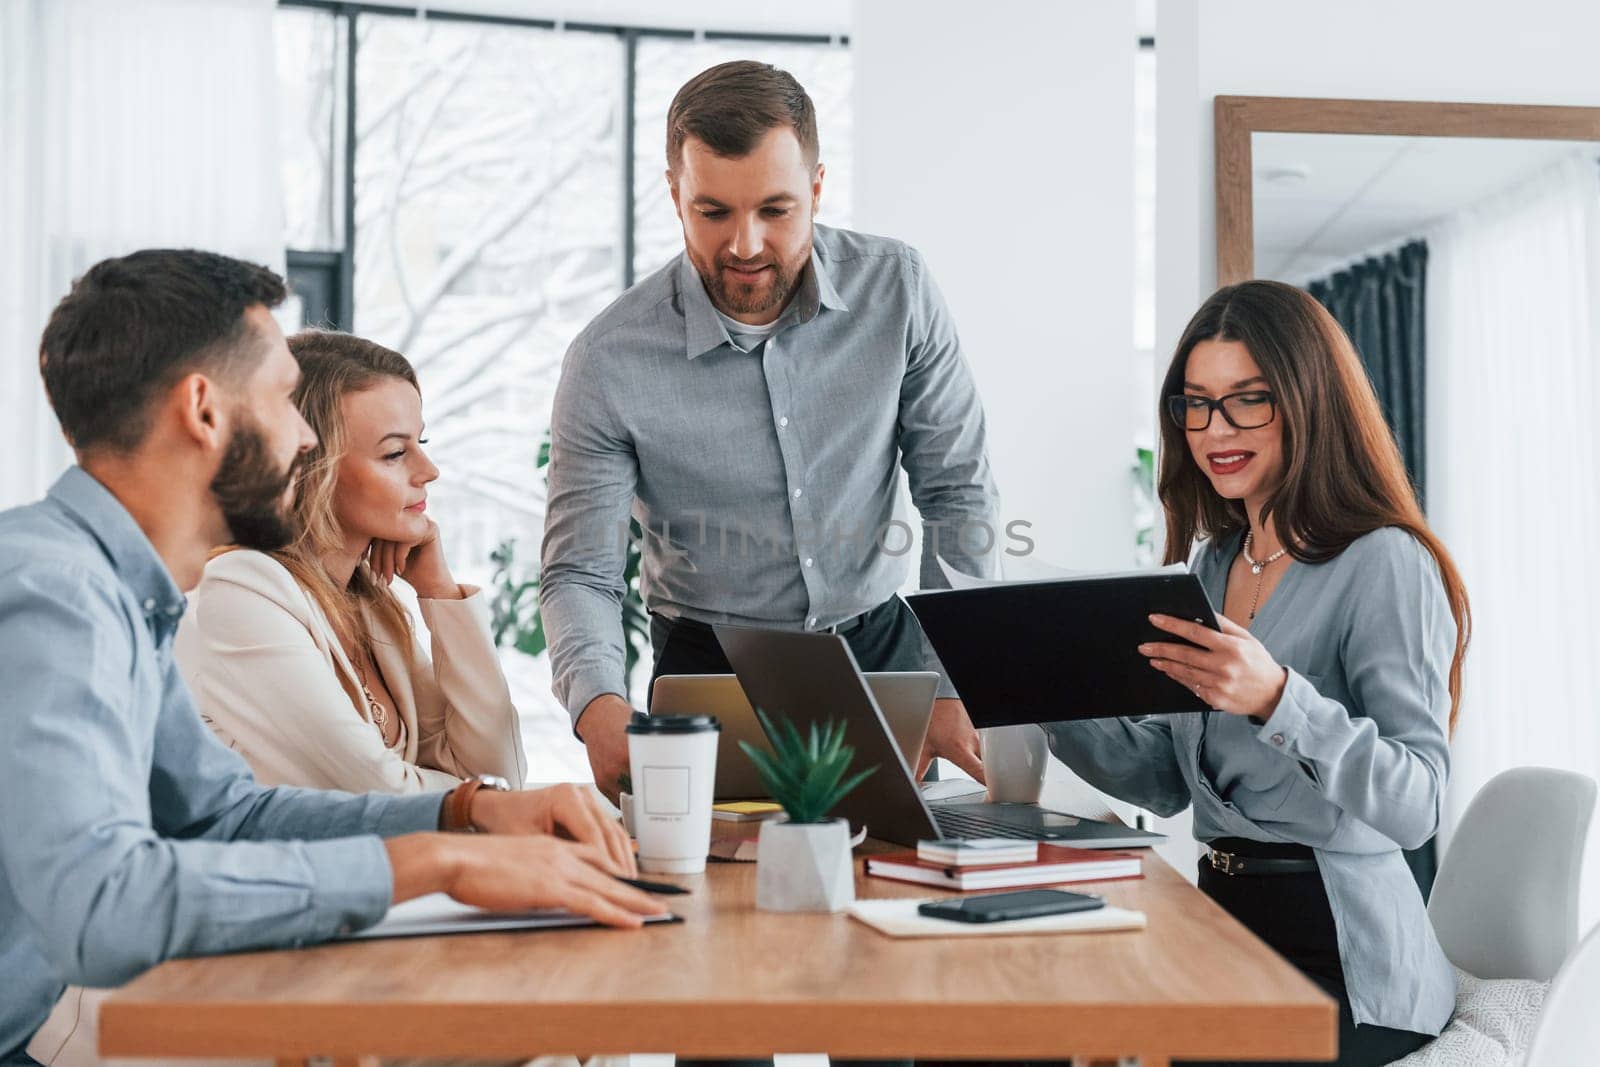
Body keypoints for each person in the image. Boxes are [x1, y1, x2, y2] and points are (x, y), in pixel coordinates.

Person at [0, 249, 665, 1067]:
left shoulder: (118, 592)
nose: (306, 434)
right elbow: (102, 907)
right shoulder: (54, 595)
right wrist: (437, 861)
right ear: (204, 411)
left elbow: (225, 814)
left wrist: (467, 815)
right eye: (285, 396)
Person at [542, 61, 1001, 798]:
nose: (746, 244)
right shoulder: (609, 359)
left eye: (776, 210)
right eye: (713, 211)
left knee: (889, 880)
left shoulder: (899, 289)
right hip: (709, 664)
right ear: (675, 195)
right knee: (714, 898)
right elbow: (582, 571)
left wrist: (954, 680)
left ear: (817, 188)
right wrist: (597, 702)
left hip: (879, 651)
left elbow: (957, 492)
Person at [1044, 280, 1471, 1067]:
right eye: (1197, 403)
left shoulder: (1384, 561)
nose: (1216, 430)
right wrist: (1036, 695)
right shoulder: (1213, 565)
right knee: (1044, 1031)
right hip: (1228, 932)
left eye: (1248, 401)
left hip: (1348, 967)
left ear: (1308, 402)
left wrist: (1278, 697)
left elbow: (1417, 804)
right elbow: (1168, 779)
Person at [176, 329, 526, 794]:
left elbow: (499, 776)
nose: (429, 470)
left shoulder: (369, 601)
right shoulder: (239, 591)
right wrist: (482, 799)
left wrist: (439, 592)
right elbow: (379, 796)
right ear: (307, 466)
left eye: (422, 443)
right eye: (396, 453)